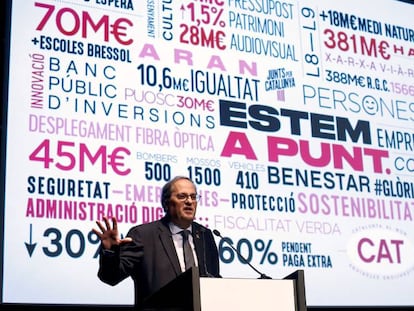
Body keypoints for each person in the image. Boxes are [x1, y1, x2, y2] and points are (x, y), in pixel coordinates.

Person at [93, 176, 220, 308]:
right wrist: (110, 252)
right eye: (182, 196)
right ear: (166, 203)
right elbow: (110, 277)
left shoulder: (205, 235)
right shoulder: (143, 235)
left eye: (193, 197)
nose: (189, 201)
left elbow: (213, 280)